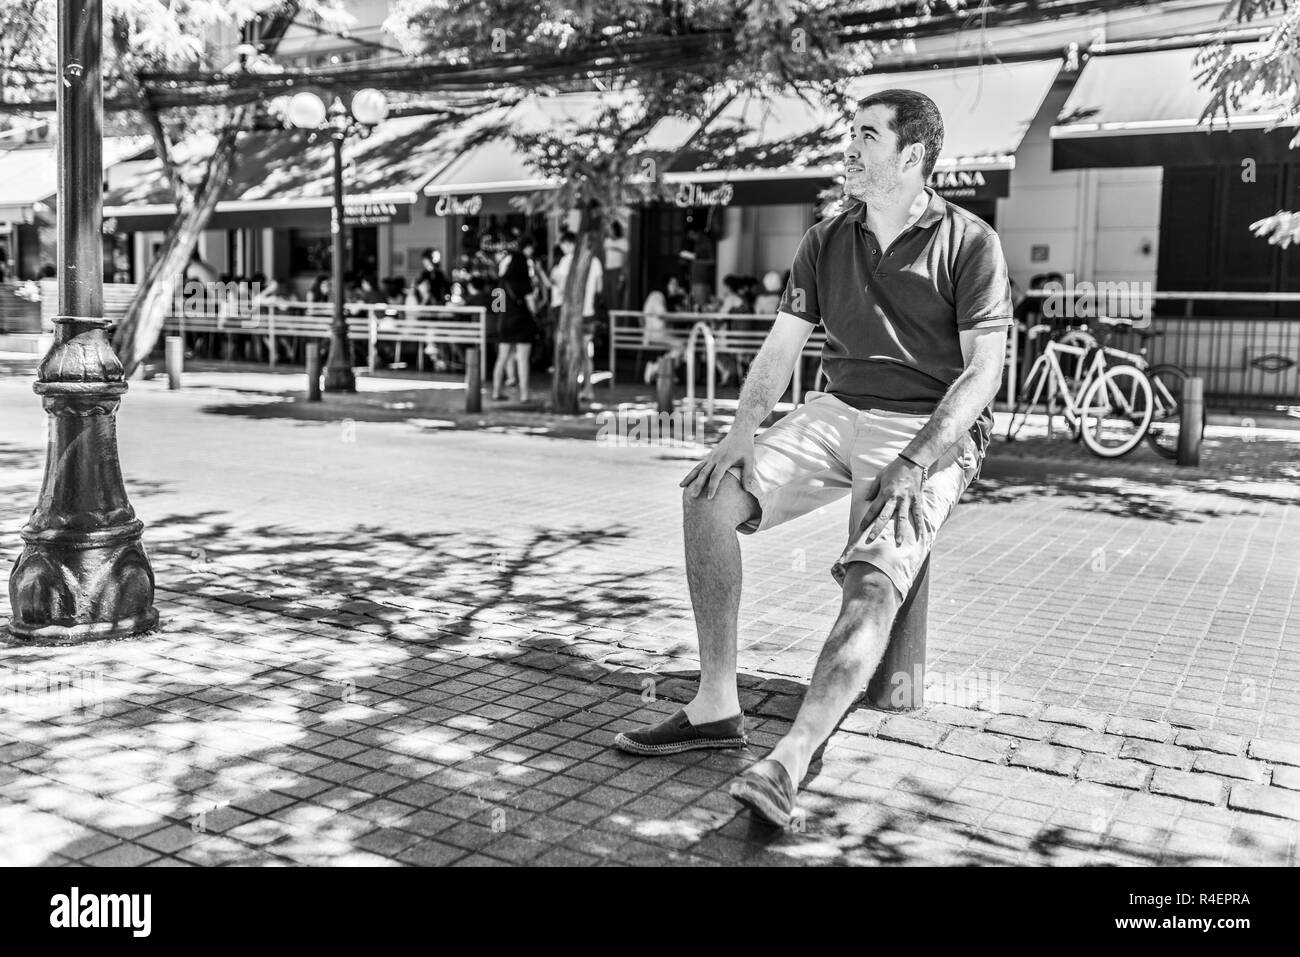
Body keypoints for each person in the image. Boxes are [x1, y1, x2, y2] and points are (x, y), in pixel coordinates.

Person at [611, 89, 1013, 828]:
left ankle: (789, 758)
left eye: (867, 135)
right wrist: (741, 432)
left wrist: (920, 459)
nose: (850, 147)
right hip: (836, 410)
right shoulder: (826, 238)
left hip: (925, 428)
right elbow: (781, 347)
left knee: (870, 580)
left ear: (913, 155)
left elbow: (983, 373)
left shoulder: (970, 242)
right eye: (851, 133)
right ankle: (716, 704)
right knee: (707, 496)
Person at [550, 230, 604, 402]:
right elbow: (599, 289)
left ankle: (570, 389)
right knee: (586, 354)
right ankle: (588, 389)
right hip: (589, 314)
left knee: (571, 352)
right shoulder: (595, 262)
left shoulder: (568, 261)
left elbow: (562, 287)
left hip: (573, 316)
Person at [492, 235, 540, 403]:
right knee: (523, 359)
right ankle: (524, 394)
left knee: (502, 357)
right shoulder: (524, 282)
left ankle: (496, 391)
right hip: (521, 322)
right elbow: (532, 306)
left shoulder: (502, 282)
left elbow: (496, 305)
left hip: (504, 321)